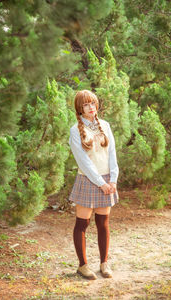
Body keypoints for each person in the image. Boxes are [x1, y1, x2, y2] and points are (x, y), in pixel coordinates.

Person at [69, 90, 119, 280]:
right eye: (86, 105)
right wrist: (101, 183)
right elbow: (83, 162)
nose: (91, 108)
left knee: (103, 224)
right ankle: (83, 266)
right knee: (82, 223)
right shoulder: (76, 130)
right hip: (88, 180)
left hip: (107, 181)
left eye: (93, 103)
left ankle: (104, 263)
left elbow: (112, 154)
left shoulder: (105, 125)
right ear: (79, 109)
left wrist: (112, 179)